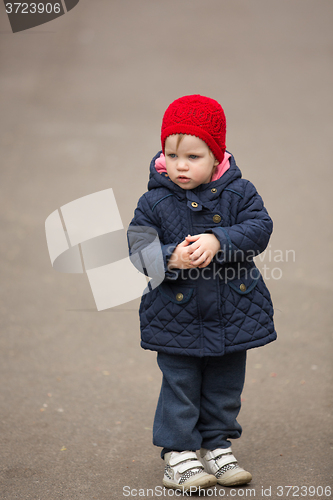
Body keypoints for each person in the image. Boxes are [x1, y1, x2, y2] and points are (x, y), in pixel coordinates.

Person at [127, 95, 276, 491]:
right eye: (171, 154)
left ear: (216, 155)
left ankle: (216, 445)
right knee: (180, 381)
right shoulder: (153, 200)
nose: (179, 165)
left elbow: (259, 229)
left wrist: (218, 239)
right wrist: (169, 257)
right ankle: (178, 454)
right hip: (176, 313)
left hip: (233, 309)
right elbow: (137, 246)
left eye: (193, 156)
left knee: (226, 383)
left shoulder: (240, 193)